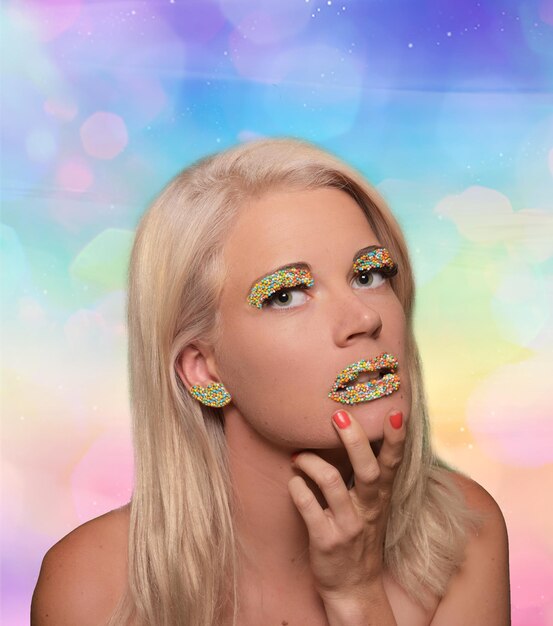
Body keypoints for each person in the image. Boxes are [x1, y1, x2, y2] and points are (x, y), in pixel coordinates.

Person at [31, 138, 510, 625]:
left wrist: (357, 595)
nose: (364, 317)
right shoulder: (91, 586)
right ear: (203, 369)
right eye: (286, 295)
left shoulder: (462, 535)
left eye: (368, 275)